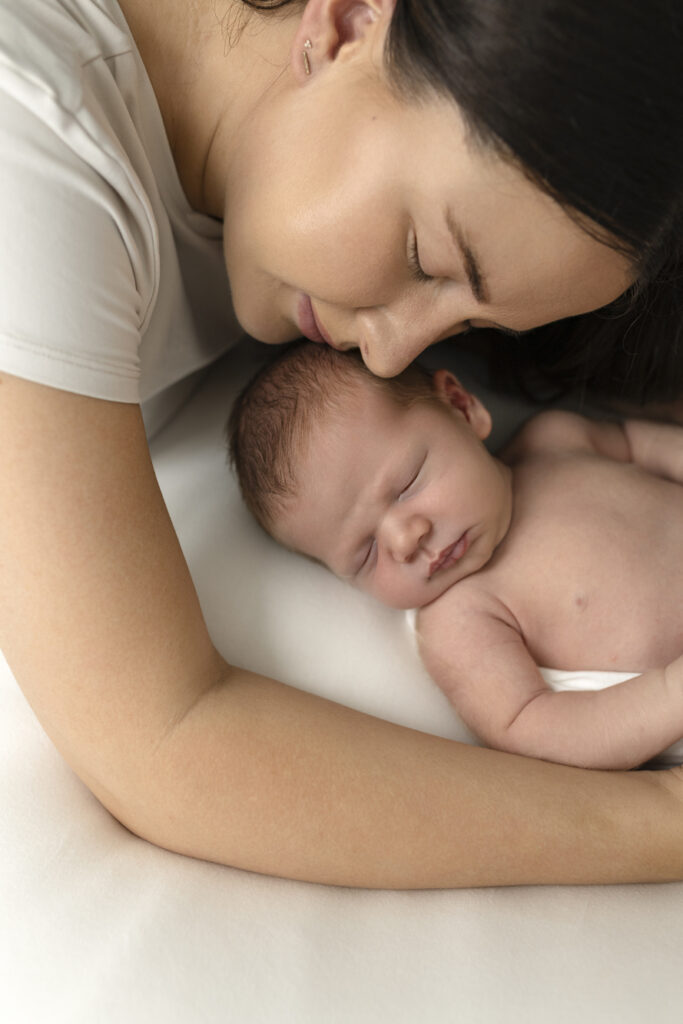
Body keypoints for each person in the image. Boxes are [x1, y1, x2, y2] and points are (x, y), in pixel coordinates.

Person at [2, 0, 683, 890]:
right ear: (349, 23)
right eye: (426, 260)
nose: (396, 349)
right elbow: (162, 739)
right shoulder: (33, 150)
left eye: (471, 318)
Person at [229, 340, 683, 772]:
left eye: (407, 484)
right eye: (365, 554)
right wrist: (670, 692)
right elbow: (537, 728)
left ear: (462, 408)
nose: (405, 540)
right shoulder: (458, 621)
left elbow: (644, 443)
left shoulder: (556, 440)